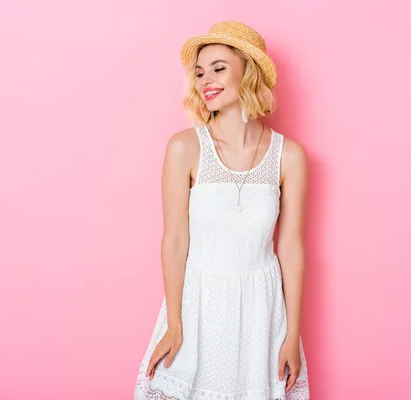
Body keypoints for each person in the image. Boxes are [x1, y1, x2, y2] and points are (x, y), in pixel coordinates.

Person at [133, 21, 310, 400]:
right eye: (199, 72)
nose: (205, 81)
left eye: (218, 68)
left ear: (248, 70)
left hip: (262, 312)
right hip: (198, 304)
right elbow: (175, 239)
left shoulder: (290, 156)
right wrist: (176, 323)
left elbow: (290, 248)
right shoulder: (184, 148)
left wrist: (292, 334)